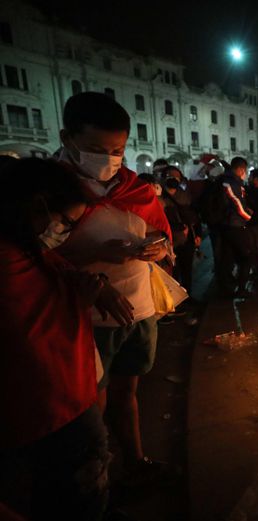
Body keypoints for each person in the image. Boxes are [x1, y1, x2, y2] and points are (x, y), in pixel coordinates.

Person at [0, 158, 133, 521]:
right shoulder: (9, 259)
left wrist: (96, 287)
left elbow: (59, 267)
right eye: (67, 222)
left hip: (69, 395)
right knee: (71, 490)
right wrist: (82, 301)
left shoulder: (28, 246)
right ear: (38, 206)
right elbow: (34, 328)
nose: (66, 233)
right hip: (46, 408)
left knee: (82, 482)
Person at [53, 92, 172, 483]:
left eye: (117, 149)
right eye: (94, 149)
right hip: (87, 316)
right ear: (67, 138)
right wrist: (93, 258)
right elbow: (34, 261)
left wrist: (159, 247)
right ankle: (97, 482)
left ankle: (136, 463)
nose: (108, 159)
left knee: (128, 393)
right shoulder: (51, 191)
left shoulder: (133, 187)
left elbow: (160, 231)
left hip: (138, 308)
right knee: (93, 407)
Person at [217, 156, 254, 297]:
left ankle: (227, 287)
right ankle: (241, 288)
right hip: (235, 224)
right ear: (240, 169)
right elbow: (237, 203)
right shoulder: (231, 183)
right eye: (244, 170)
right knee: (246, 256)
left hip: (228, 223)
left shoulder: (227, 180)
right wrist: (248, 217)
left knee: (228, 256)